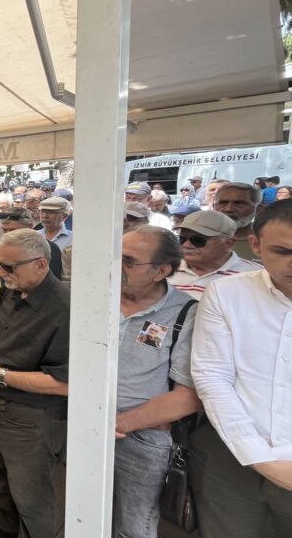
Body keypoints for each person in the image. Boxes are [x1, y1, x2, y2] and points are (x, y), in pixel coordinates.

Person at [188, 199, 292, 537]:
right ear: (256, 245)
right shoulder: (226, 293)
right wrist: (258, 457)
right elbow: (212, 376)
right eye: (283, 251)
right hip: (230, 457)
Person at [0, 229, 70, 538]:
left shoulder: (66, 307)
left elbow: (65, 383)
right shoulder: (13, 289)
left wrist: (1, 375)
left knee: (31, 494)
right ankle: (5, 526)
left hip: (28, 417)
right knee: (1, 472)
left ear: (40, 264)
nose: (1, 273)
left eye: (9, 267)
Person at [111, 226, 202, 537]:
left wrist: (120, 423)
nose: (116, 265)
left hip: (144, 437)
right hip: (86, 423)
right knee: (86, 507)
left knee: (134, 525)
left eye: (128, 260)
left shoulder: (185, 313)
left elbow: (188, 396)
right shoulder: (97, 296)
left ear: (161, 271)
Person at [167, 210, 261, 300]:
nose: (186, 245)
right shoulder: (165, 268)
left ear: (228, 242)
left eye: (198, 240)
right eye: (182, 239)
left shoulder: (254, 275)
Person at [0, 208, 63, 279]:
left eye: (13, 230)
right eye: (4, 230)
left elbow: (52, 280)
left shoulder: (49, 248)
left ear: (30, 227)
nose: (7, 234)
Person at [213, 182, 262, 261]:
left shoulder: (268, 242)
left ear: (258, 209)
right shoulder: (196, 238)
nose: (229, 209)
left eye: (239, 203)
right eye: (223, 203)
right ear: (213, 206)